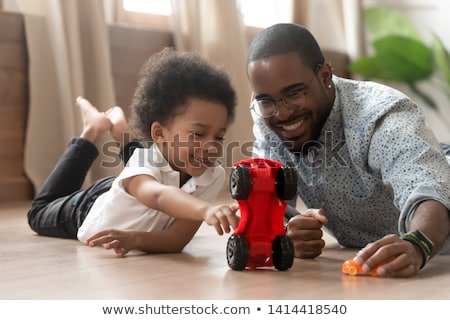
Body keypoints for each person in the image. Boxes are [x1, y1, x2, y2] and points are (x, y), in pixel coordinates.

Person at [246, 23, 450, 277]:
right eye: (266, 101)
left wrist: (417, 244)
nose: (283, 112)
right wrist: (288, 233)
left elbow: (430, 188)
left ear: (325, 76)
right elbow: (270, 208)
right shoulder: (269, 117)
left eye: (295, 93)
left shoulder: (381, 115)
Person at [27, 48, 240, 257]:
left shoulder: (212, 174)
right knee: (38, 213)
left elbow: (177, 238)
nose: (211, 146)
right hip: (90, 207)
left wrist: (135, 239)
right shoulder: (147, 169)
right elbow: (158, 195)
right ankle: (92, 129)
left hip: (137, 183)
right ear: (159, 132)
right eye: (198, 134)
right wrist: (205, 210)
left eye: (219, 137)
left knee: (153, 162)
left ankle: (122, 133)